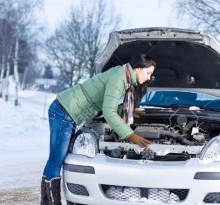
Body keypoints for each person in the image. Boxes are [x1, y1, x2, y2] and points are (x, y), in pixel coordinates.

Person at [40, 54, 156, 205]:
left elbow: (107, 102)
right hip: (64, 111)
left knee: (54, 159)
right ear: (138, 68)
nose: (148, 78)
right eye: (148, 73)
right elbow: (108, 112)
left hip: (65, 111)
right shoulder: (119, 78)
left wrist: (127, 111)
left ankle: (45, 201)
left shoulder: (121, 75)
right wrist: (130, 135)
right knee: (56, 159)